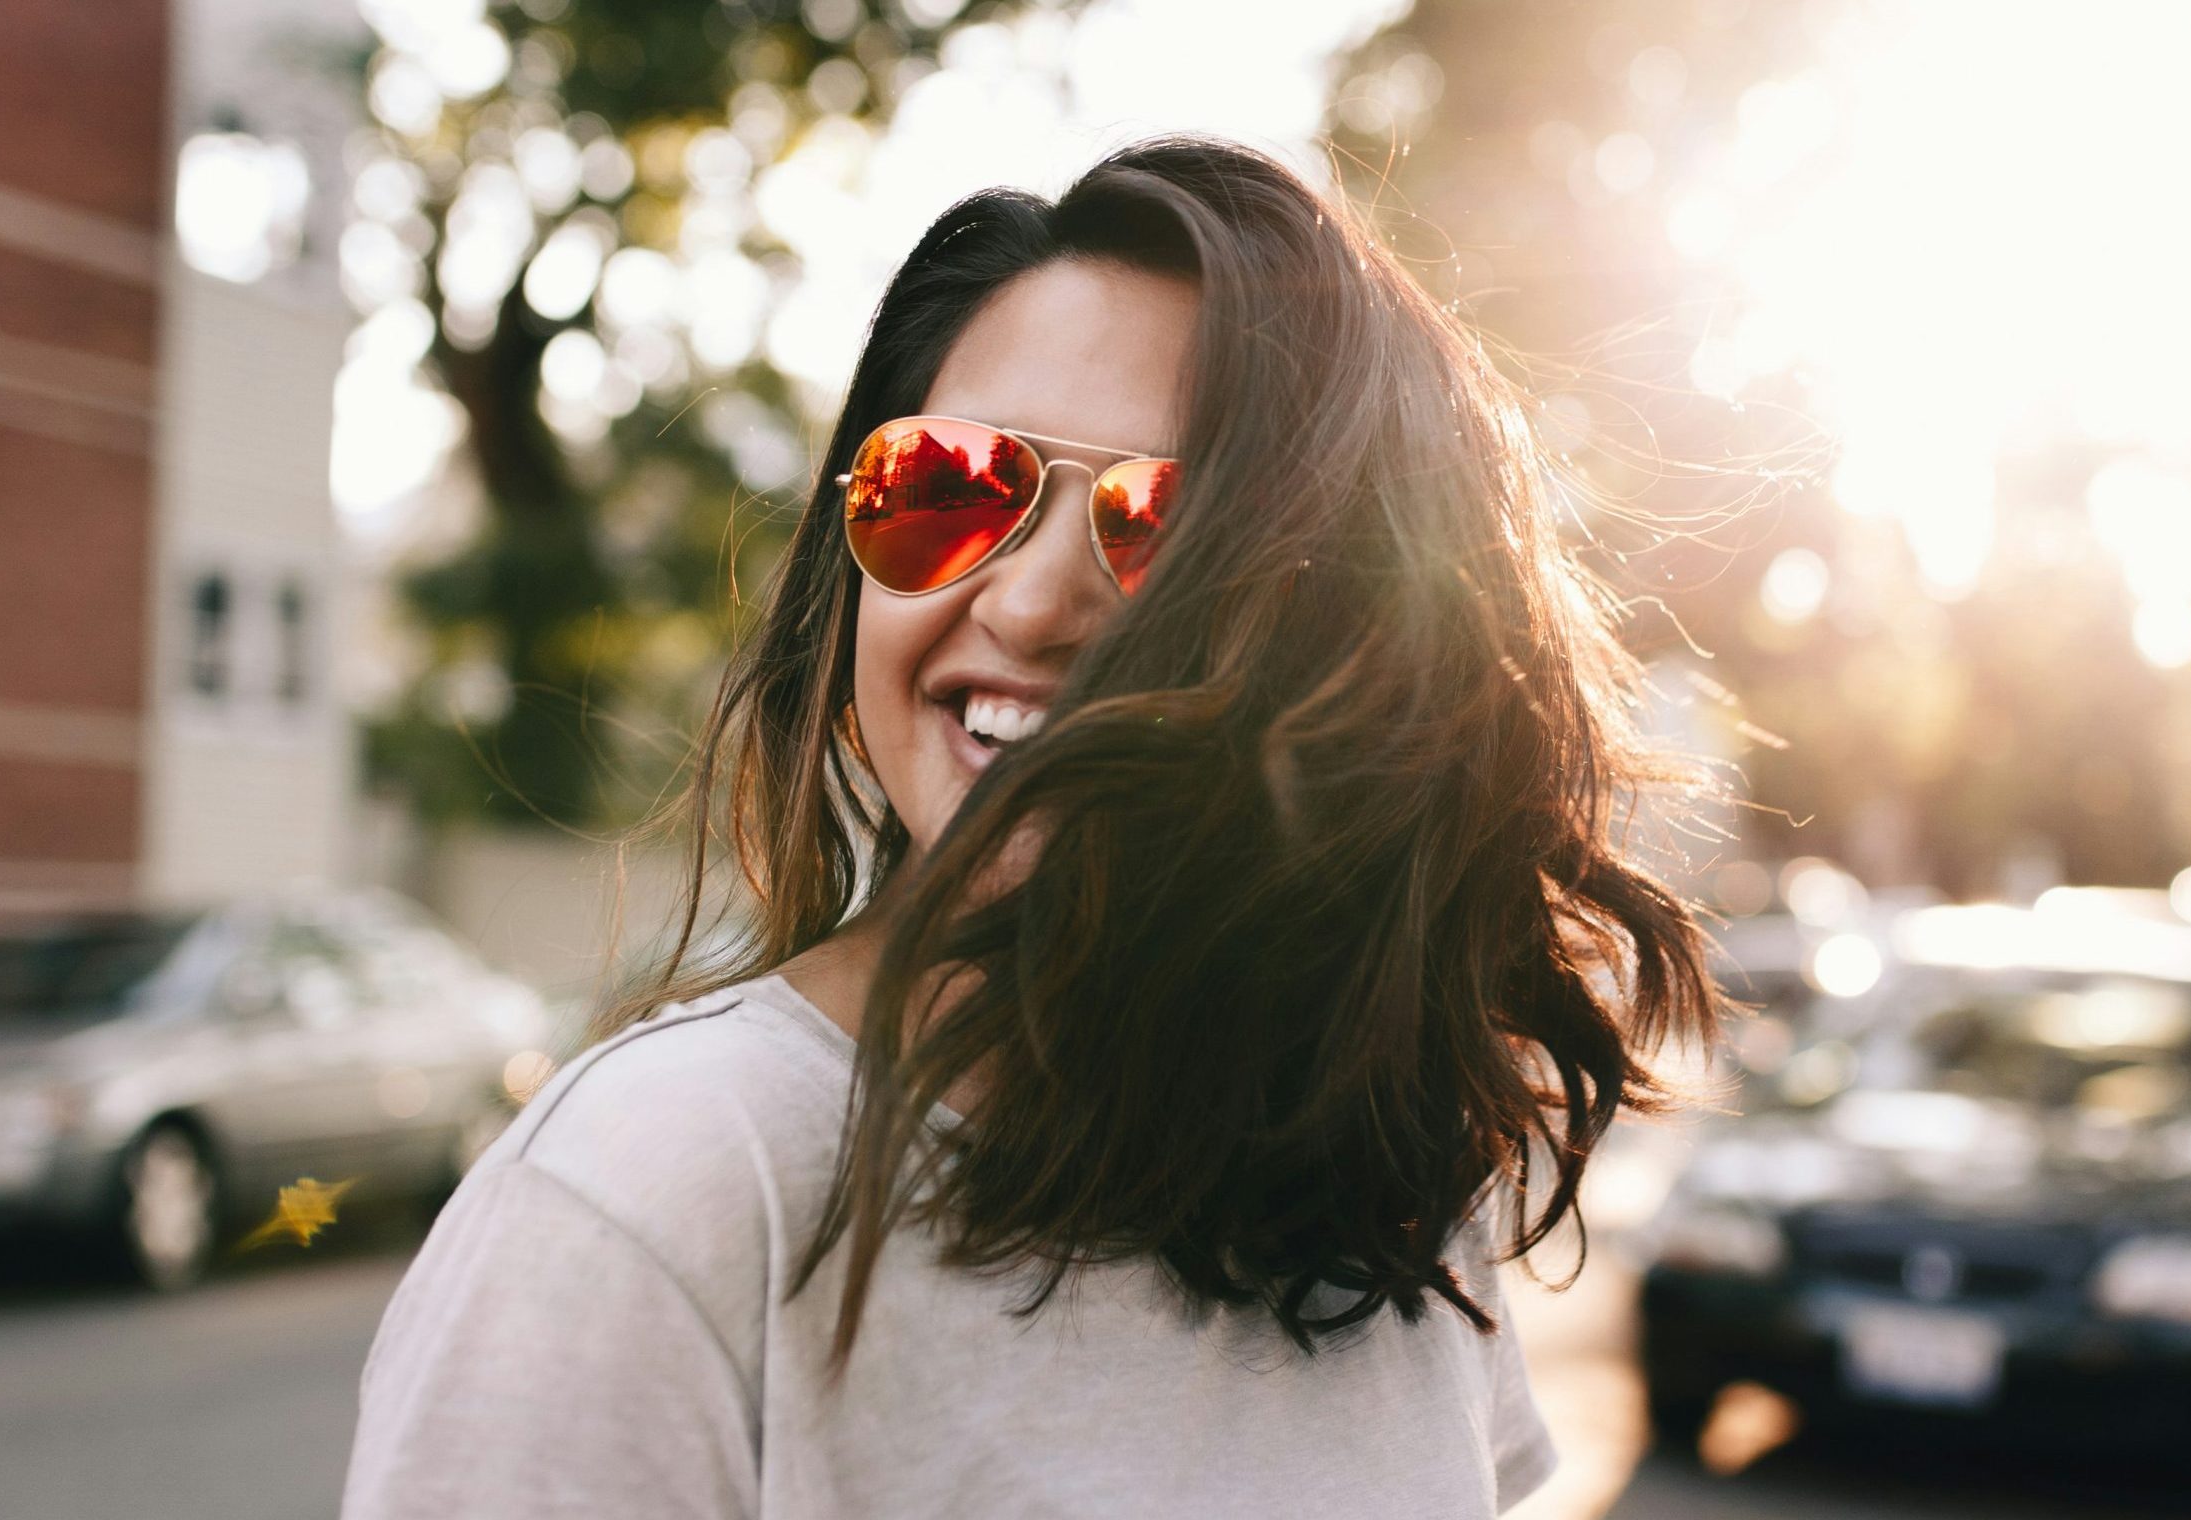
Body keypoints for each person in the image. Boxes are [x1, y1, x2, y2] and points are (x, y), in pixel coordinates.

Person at [341, 135, 1717, 1519]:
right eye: (950, 487)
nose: (1029, 604)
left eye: (1173, 530)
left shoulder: (1381, 1179)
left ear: (1367, 643)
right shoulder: (655, 1191)